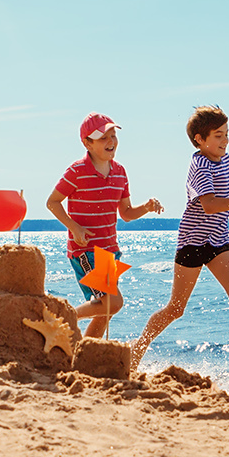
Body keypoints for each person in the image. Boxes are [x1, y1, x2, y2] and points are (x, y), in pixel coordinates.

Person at [130, 106, 229, 382]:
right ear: (199, 139)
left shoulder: (226, 159)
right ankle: (136, 350)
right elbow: (208, 205)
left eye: (227, 134)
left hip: (219, 239)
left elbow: (222, 195)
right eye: (218, 135)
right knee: (176, 308)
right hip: (193, 242)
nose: (226, 141)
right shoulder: (198, 165)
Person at [46, 112, 163, 339]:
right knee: (112, 302)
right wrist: (75, 228)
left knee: (103, 310)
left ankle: (87, 351)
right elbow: (52, 202)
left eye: (113, 136)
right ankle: (61, 318)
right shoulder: (76, 171)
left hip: (109, 251)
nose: (111, 142)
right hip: (85, 251)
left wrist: (146, 207)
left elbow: (127, 213)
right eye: (103, 138)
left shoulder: (120, 172)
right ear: (87, 143)